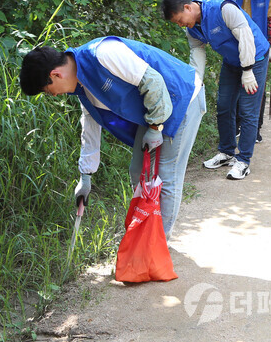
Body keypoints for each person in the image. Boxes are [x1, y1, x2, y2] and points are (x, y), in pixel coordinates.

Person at [19, 37, 205, 238]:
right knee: (137, 170)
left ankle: (158, 245)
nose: (53, 95)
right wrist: (86, 176)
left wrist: (155, 126)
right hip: (153, 109)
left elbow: (153, 81)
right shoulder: (82, 85)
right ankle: (146, 233)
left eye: (47, 91)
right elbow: (90, 126)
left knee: (166, 174)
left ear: (55, 75)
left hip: (181, 96)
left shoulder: (103, 53)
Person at [161, 0, 269, 180]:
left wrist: (248, 69)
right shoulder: (192, 29)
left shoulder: (223, 9)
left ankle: (243, 161)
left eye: (179, 20)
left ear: (188, 8)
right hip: (232, 62)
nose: (180, 25)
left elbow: (245, 35)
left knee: (247, 110)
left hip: (254, 58)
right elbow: (197, 52)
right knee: (224, 106)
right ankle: (227, 152)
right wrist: (196, 82)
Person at [227, 0, 271, 143]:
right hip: (237, 43)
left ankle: (255, 128)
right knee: (236, 85)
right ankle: (237, 126)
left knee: (256, 88)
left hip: (259, 45)